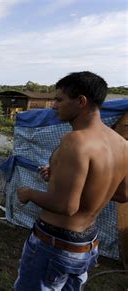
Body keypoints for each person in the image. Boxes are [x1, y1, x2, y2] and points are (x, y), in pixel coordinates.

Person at [14, 71, 128, 290]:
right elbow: (123, 194)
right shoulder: (122, 144)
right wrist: (65, 181)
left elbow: (66, 206)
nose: (54, 106)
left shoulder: (75, 141)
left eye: (59, 99)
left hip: (55, 245)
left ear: (81, 101)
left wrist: (27, 193)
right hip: (86, 245)